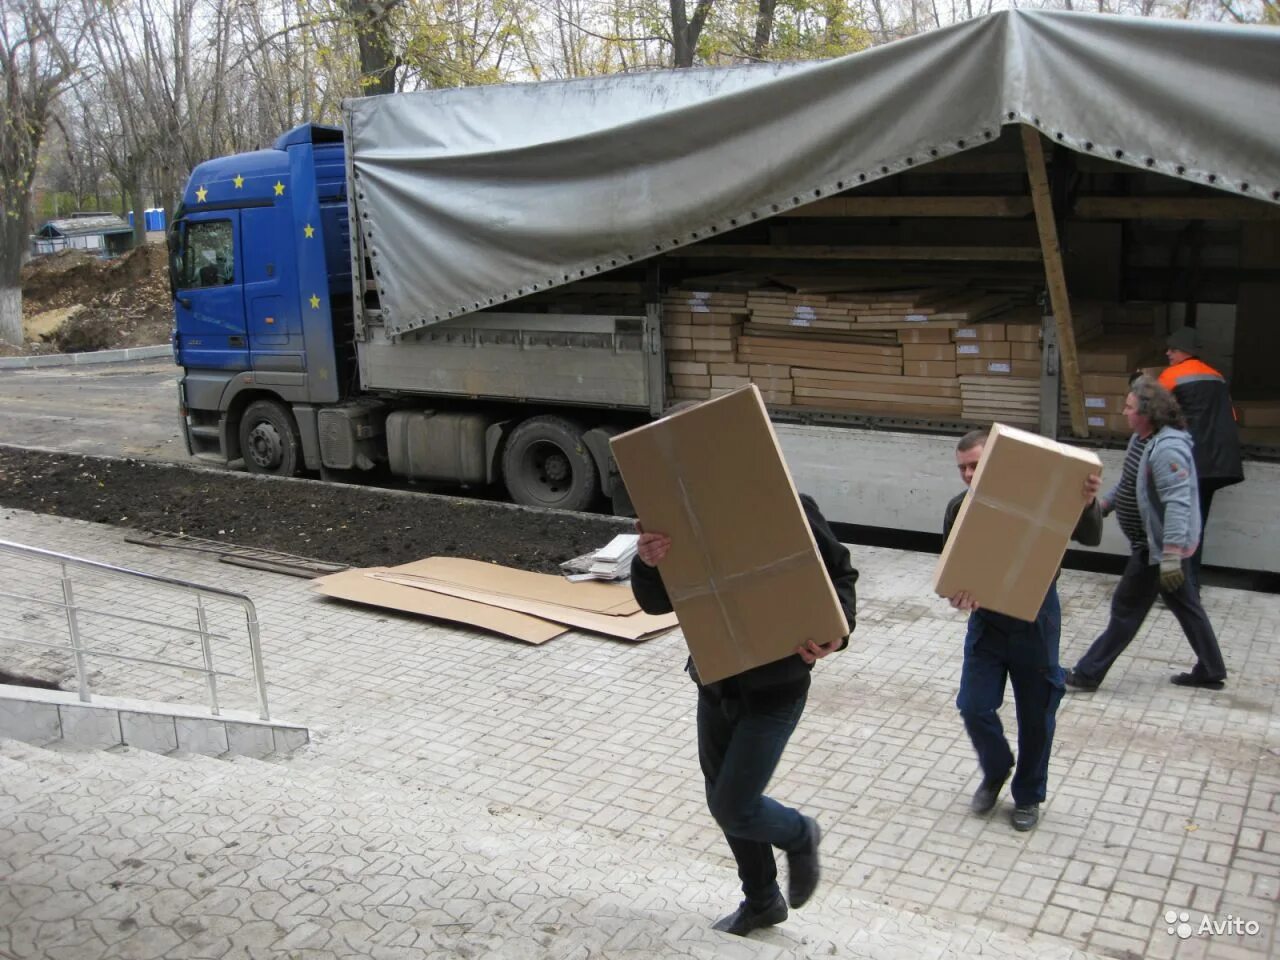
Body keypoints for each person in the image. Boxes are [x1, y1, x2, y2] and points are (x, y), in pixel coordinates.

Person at [630, 494, 857, 938]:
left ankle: (799, 834)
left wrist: (838, 631)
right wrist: (647, 561)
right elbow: (656, 604)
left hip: (776, 690)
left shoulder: (790, 505)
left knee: (733, 805)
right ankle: (762, 900)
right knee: (724, 797)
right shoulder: (679, 515)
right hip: (715, 682)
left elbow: (841, 576)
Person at [943, 429, 1102, 833]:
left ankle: (1028, 795)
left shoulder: (1038, 501)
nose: (967, 474)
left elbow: (1093, 537)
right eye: (962, 467)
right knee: (973, 705)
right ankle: (996, 770)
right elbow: (954, 575)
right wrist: (958, 598)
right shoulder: (958, 509)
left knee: (1037, 715)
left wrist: (1086, 500)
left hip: (1036, 620)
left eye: (976, 465)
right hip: (988, 623)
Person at [1065, 376, 1228, 692]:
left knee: (1126, 610)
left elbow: (1179, 504)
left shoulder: (1168, 450)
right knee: (1185, 605)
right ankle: (1211, 668)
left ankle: (1087, 673)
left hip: (1156, 550)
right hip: (1157, 547)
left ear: (1147, 412)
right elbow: (1129, 484)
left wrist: (1169, 557)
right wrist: (1104, 505)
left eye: (1129, 407)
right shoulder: (1141, 440)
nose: (1124, 412)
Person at [1158, 327, 1243, 591]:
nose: (1168, 352)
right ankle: (1191, 582)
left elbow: (1153, 413)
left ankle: (1183, 587)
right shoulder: (1217, 377)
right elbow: (1233, 417)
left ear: (1185, 351)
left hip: (1188, 462)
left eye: (1173, 348)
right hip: (1218, 463)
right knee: (1197, 522)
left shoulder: (1172, 375)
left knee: (1176, 521)